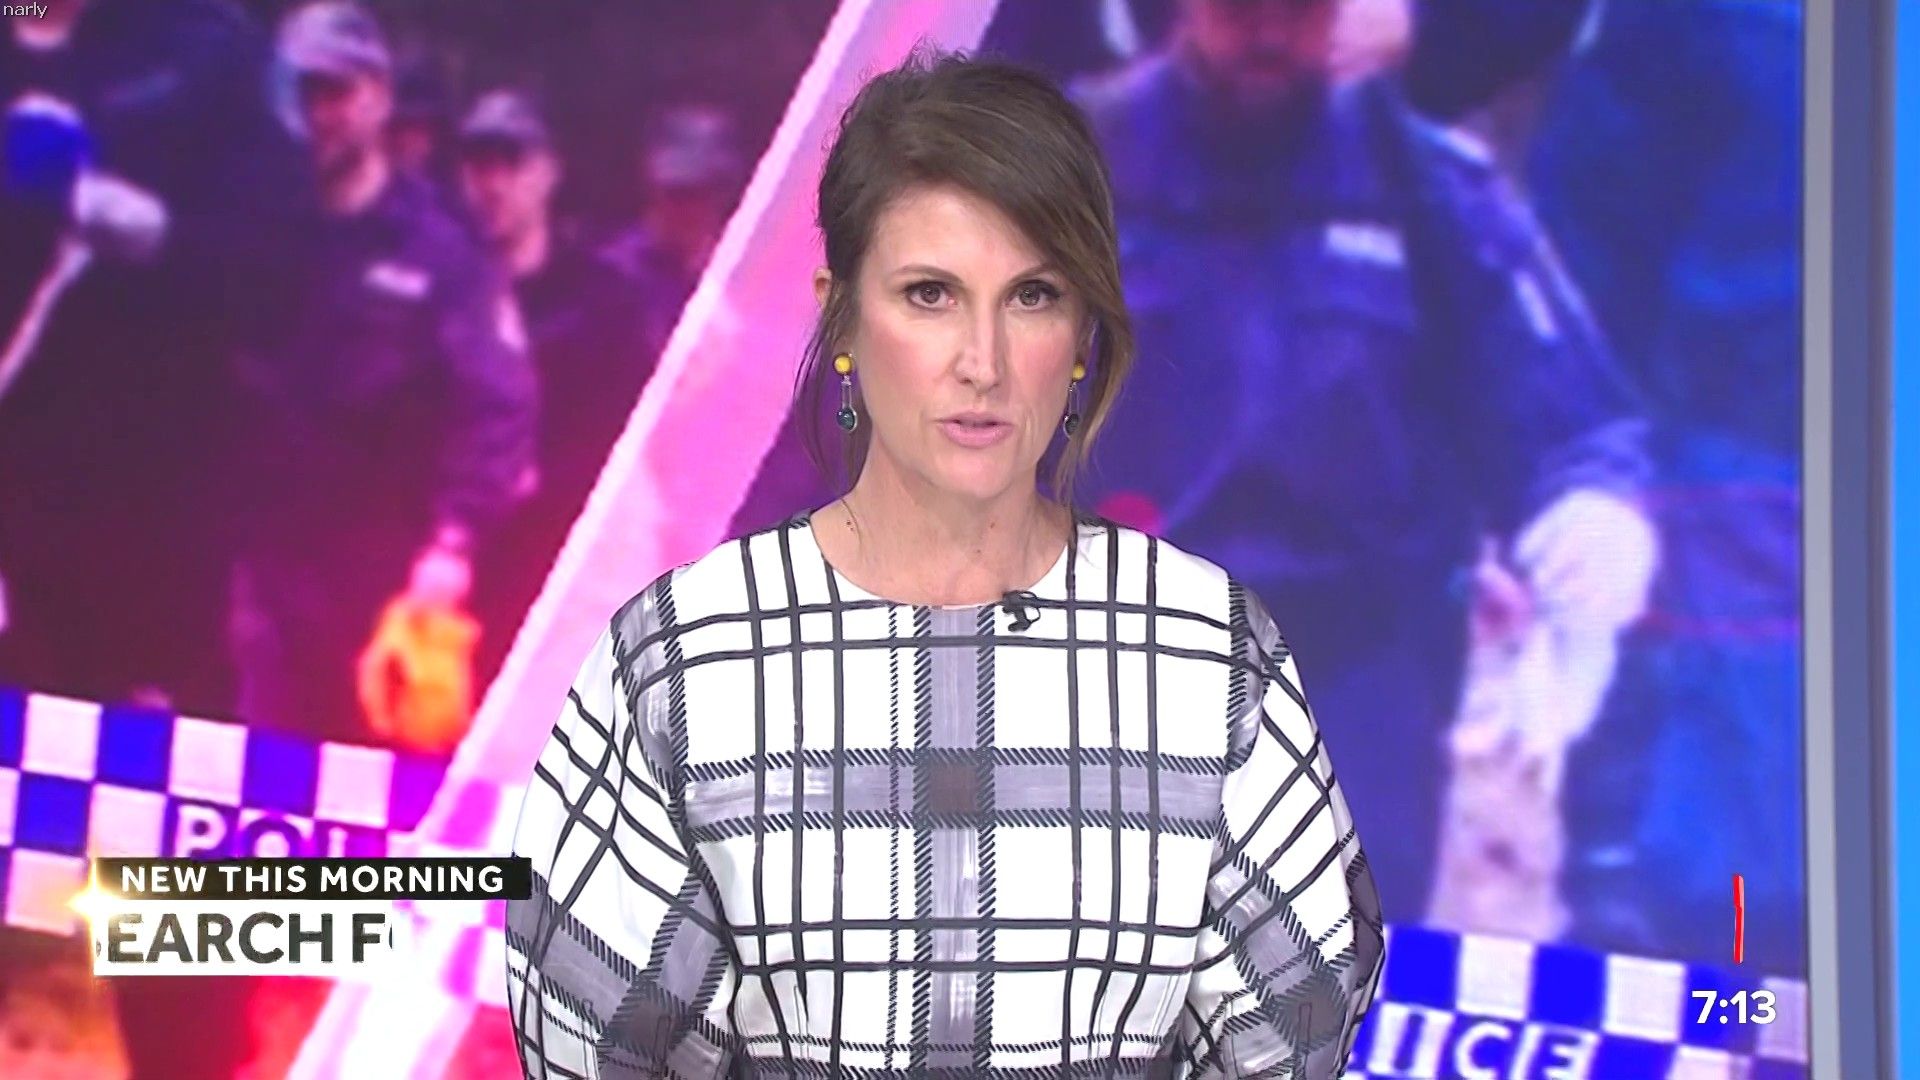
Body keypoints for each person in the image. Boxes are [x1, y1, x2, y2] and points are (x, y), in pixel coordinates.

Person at [507, 51, 1383, 1078]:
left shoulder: (1204, 650)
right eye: (930, 294)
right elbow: (587, 1032)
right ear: (839, 313)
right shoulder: (685, 657)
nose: (984, 362)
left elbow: (1301, 1022)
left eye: (1033, 296)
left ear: (1086, 328)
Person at [1060, 0, 1657, 925]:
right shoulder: (1061, 173)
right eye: (1239, 10)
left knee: (1334, 970)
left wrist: (1589, 514)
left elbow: (1567, 418)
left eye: (1299, 12)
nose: (1268, 33)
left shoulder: (1427, 187)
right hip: (1109, 655)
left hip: (1357, 675)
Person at [229, 0, 537, 745]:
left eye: (335, 93)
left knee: (374, 799)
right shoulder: (252, 230)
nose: (316, 116)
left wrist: (453, 543)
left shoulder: (439, 251)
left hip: (384, 587)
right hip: (258, 579)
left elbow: (498, 405)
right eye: (300, 94)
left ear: (379, 97)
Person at [0, 0, 308, 716]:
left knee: (115, 754)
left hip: (136, 513)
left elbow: (281, 272)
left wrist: (159, 237)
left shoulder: (204, 48)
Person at [455, 88, 671, 683]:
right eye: (479, 165)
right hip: (464, 571)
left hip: (568, 571)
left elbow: (632, 438)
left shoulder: (603, 297)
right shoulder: (443, 287)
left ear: (548, 170)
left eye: (511, 163)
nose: (494, 184)